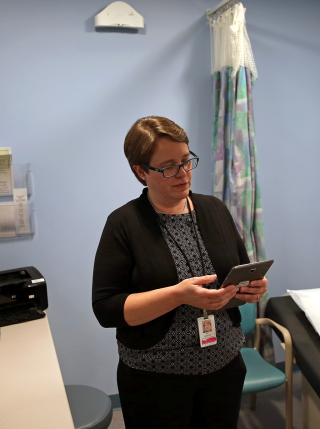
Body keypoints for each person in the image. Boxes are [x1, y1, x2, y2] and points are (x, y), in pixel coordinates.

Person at [92, 116, 268, 429]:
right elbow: (107, 309)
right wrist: (178, 295)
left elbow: (238, 271)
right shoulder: (123, 224)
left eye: (187, 161)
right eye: (169, 166)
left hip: (224, 367)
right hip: (156, 379)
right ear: (141, 171)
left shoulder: (214, 209)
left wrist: (250, 288)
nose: (183, 173)